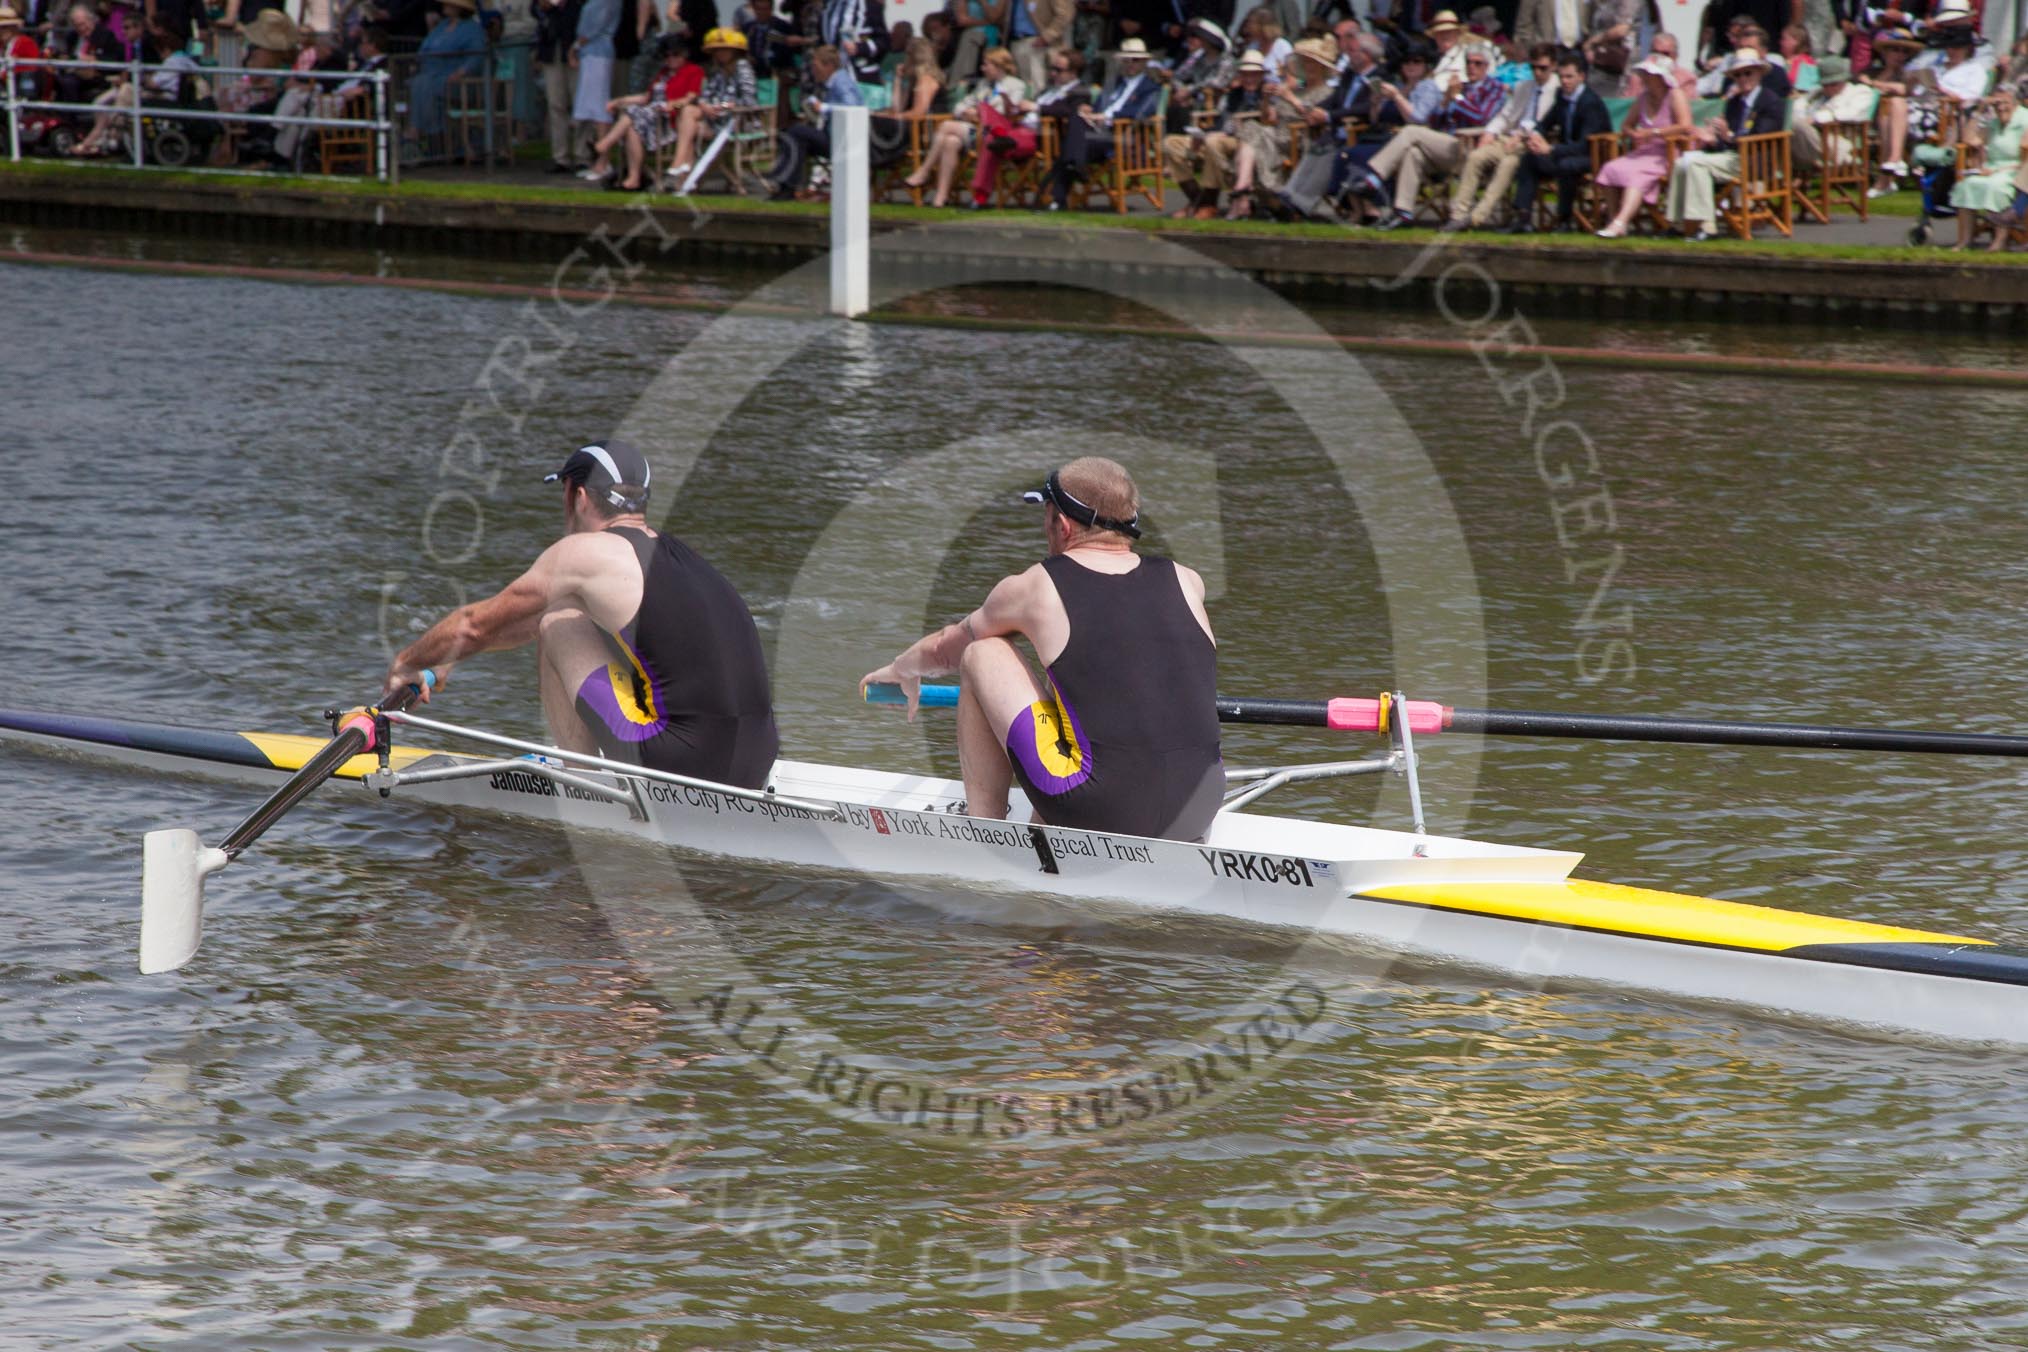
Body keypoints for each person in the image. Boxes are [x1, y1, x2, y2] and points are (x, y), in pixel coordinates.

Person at [858, 458, 1222, 843]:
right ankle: (1050, 825)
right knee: (1085, 706)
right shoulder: (1187, 581)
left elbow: (944, 650)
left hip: (1101, 809)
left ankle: (984, 835)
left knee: (983, 652)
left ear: (1062, 525)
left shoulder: (1033, 588)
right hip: (1202, 804)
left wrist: (903, 670)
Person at [384, 442, 781, 791]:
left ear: (577, 496)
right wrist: (448, 656)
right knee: (571, 618)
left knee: (556, 622)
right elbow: (497, 631)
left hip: (680, 764)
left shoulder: (585, 552)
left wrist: (408, 663)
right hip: (756, 761)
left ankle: (582, 784)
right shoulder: (684, 559)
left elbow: (474, 625)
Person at [1358, 38, 1506, 227]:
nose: (1472, 67)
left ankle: (1375, 178)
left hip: (1472, 149)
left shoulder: (1494, 88)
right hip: (1448, 147)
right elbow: (1436, 121)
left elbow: (1481, 118)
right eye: (1468, 62)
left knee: (1412, 131)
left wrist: (1458, 98)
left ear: (1487, 66)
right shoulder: (1463, 87)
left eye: (1477, 63)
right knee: (1413, 153)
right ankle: (1403, 212)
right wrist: (1445, 102)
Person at [1664, 47, 1782, 238]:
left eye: (1747, 73)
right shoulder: (1734, 102)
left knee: (1697, 165)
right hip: (1732, 157)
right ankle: (1676, 223)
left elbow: (1759, 136)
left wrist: (1728, 136)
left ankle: (1707, 226)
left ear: (1759, 73)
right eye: (1738, 75)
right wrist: (1713, 139)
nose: (1743, 78)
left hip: (1755, 160)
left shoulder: (1770, 101)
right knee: (1682, 162)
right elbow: (1725, 143)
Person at [1444, 40, 1558, 227]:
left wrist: (1521, 135)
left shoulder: (1557, 89)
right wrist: (1490, 131)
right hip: (1507, 138)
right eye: (1533, 67)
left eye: (1543, 68)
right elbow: (1504, 115)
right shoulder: (1524, 86)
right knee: (1476, 157)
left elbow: (1545, 123)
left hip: (1532, 143)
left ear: (1553, 66)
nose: (1537, 72)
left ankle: (1476, 218)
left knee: (1508, 163)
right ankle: (1458, 215)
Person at [1225, 33, 1335, 218]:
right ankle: (1243, 188)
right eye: (1305, 62)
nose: (1307, 67)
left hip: (1301, 139)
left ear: (1322, 67)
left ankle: (1242, 195)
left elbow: (1314, 119)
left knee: (1252, 135)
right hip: (1277, 135)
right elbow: (1268, 118)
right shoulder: (1297, 88)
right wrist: (1267, 99)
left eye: (1312, 63)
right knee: (1251, 127)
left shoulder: (1328, 92)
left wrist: (1291, 99)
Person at [1045, 34, 1158, 208]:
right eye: (1126, 60)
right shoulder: (1113, 83)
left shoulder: (1150, 87)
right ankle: (1075, 167)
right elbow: (1098, 108)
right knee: (1076, 120)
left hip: (1123, 135)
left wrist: (1107, 117)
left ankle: (1059, 196)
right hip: (1098, 133)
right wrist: (1089, 111)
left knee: (1071, 146)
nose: (1130, 64)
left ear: (1144, 63)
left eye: (1135, 60)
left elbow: (1140, 113)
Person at [1279, 27, 1381, 218]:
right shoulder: (1349, 76)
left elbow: (1365, 109)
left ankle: (1301, 202)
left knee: (1330, 154)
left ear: (1367, 55)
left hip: (1361, 133)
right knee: (1317, 149)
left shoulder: (1379, 77)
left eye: (1353, 51)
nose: (1348, 56)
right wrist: (1316, 111)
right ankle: (1289, 194)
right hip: (1336, 132)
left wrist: (1328, 116)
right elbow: (1333, 100)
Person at [905, 43, 1023, 205]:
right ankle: (941, 196)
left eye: (986, 65)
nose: (982, 68)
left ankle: (924, 171)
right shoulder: (983, 85)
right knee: (950, 142)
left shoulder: (1015, 85)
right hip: (973, 131)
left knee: (946, 126)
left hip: (993, 135)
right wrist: (966, 112)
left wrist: (977, 114)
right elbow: (959, 106)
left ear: (999, 66)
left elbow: (1007, 112)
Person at [581, 31, 702, 187]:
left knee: (633, 114)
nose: (671, 59)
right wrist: (619, 101)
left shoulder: (693, 71)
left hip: (667, 118)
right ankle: (633, 178)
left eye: (675, 54)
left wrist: (673, 106)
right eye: (667, 55)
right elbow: (647, 97)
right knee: (632, 126)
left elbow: (690, 99)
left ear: (684, 54)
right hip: (649, 116)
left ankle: (603, 145)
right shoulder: (663, 73)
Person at [1508, 48, 1610, 231]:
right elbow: (1545, 123)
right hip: (1566, 153)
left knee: (1566, 166)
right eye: (1562, 77)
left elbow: (1585, 144)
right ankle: (1523, 217)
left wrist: (1552, 150)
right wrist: (1536, 136)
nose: (1565, 81)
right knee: (1530, 159)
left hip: (1591, 156)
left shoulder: (1590, 103)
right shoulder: (1561, 97)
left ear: (1581, 77)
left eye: (1569, 77)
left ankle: (1564, 218)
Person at [1591, 53, 1693, 234]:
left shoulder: (1675, 95)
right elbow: (1626, 125)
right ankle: (1614, 218)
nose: (1645, 78)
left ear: (1661, 77)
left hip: (1667, 153)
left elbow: (1685, 125)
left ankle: (1621, 222)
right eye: (1644, 74)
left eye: (1649, 74)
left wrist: (1654, 132)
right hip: (1643, 152)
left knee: (1636, 175)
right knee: (1610, 168)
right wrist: (1634, 134)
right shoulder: (1643, 98)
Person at [1163, 45, 1263, 217]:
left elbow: (1263, 123)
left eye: (1253, 74)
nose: (1249, 78)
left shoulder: (1265, 94)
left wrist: (1218, 134)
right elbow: (1220, 119)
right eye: (1245, 73)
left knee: (1213, 142)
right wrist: (1202, 134)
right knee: (1171, 143)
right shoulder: (1232, 94)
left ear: (1261, 75)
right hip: (1220, 135)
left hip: (1244, 142)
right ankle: (1196, 199)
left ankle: (1208, 203)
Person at [660, 27, 755, 187]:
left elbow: (748, 101)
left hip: (735, 122)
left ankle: (679, 168)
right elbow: (704, 97)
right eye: (716, 50)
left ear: (734, 51)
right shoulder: (718, 71)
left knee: (688, 117)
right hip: (713, 120)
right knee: (689, 123)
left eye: (723, 50)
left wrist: (721, 107)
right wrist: (705, 106)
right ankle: (683, 178)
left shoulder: (743, 68)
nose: (719, 53)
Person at [768, 41, 863, 196]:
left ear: (829, 66)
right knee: (795, 136)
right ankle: (785, 185)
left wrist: (824, 107)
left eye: (816, 66)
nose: (813, 71)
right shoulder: (833, 82)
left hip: (843, 141)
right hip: (834, 136)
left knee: (796, 132)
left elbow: (852, 108)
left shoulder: (841, 82)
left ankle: (784, 183)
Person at [1949, 86, 2027, 247]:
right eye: (1996, 103)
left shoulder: (2024, 120)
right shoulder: (1994, 123)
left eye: (2005, 103)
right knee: (1967, 185)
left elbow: (2025, 159)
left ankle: (1999, 241)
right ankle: (1965, 240)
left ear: (2015, 103)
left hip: (2015, 171)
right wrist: (1980, 110)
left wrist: (1998, 171)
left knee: (1996, 187)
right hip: (1990, 169)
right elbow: (1969, 139)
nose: (2000, 107)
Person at [409, 0, 485, 141]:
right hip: (430, 75)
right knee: (419, 83)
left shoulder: (472, 29)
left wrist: (462, 72)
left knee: (424, 85)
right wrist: (416, 62)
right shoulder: (442, 26)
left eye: (449, 3)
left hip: (457, 80)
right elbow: (424, 47)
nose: (444, 5)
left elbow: (477, 57)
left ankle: (421, 133)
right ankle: (430, 133)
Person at [1790, 54, 1873, 174]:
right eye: (1825, 84)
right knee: (1790, 123)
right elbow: (1798, 105)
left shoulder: (1859, 92)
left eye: (1833, 84)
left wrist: (1815, 118)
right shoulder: (1817, 94)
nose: (1829, 88)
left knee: (1795, 125)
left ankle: (1843, 159)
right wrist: (1804, 119)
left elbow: (1851, 113)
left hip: (1838, 141)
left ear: (1844, 80)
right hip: (1810, 140)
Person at [1153, 15, 1233, 134]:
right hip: (1192, 101)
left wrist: (1189, 91)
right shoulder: (1199, 58)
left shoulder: (1226, 60)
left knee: (1181, 110)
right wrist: (1175, 83)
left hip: (1213, 105)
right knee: (1172, 107)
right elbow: (1180, 75)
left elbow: (1216, 83)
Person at [536, 0, 586, 172]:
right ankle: (560, 156)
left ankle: (583, 154)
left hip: (575, 48)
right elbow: (535, 10)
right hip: (551, 47)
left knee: (580, 103)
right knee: (556, 103)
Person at [572, 0, 622, 152]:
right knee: (594, 106)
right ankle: (599, 158)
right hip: (592, 53)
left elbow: (590, 30)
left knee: (599, 106)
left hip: (597, 53)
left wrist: (575, 47)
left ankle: (603, 160)